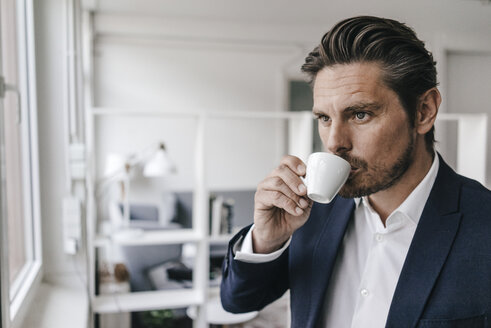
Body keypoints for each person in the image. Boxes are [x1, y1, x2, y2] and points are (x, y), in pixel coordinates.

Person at [220, 16, 491, 328]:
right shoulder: (307, 211)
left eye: (360, 114)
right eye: (324, 117)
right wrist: (266, 240)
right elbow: (237, 301)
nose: (334, 143)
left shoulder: (483, 225)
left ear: (423, 111)